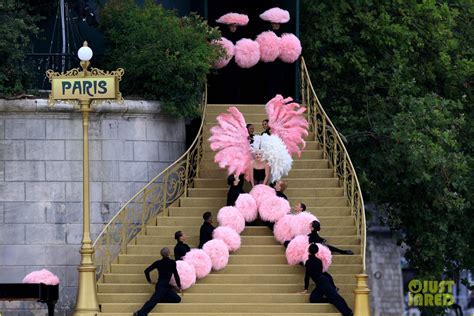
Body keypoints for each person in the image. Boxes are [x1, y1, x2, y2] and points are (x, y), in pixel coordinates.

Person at [301, 243, 353, 316]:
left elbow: (307, 276)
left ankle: (348, 313)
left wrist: (305, 289)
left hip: (322, 281)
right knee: (313, 298)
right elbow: (321, 271)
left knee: (335, 297)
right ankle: (331, 300)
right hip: (321, 282)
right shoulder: (319, 261)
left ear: (308, 251)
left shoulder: (308, 262)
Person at [134, 247, 182, 316]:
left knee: (177, 299)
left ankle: (160, 298)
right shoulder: (172, 262)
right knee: (153, 301)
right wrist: (179, 286)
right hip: (161, 287)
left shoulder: (158, 263)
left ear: (161, 255)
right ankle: (139, 313)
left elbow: (146, 271)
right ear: (169, 253)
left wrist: (149, 280)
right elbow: (176, 275)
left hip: (165, 287)